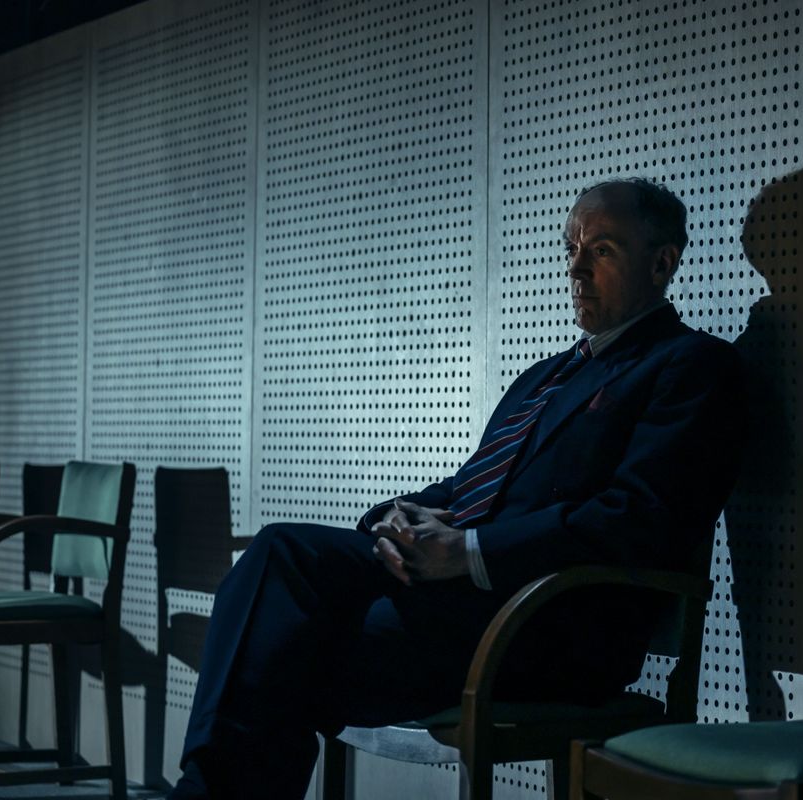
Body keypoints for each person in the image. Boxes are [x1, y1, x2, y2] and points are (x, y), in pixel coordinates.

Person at [169, 178, 748, 798]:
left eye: (601, 249)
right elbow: (475, 483)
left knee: (276, 648)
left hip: (547, 620)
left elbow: (638, 518)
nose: (576, 267)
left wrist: (468, 552)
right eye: (572, 248)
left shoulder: (692, 366)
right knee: (281, 555)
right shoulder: (546, 377)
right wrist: (407, 514)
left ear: (663, 262)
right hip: (457, 601)